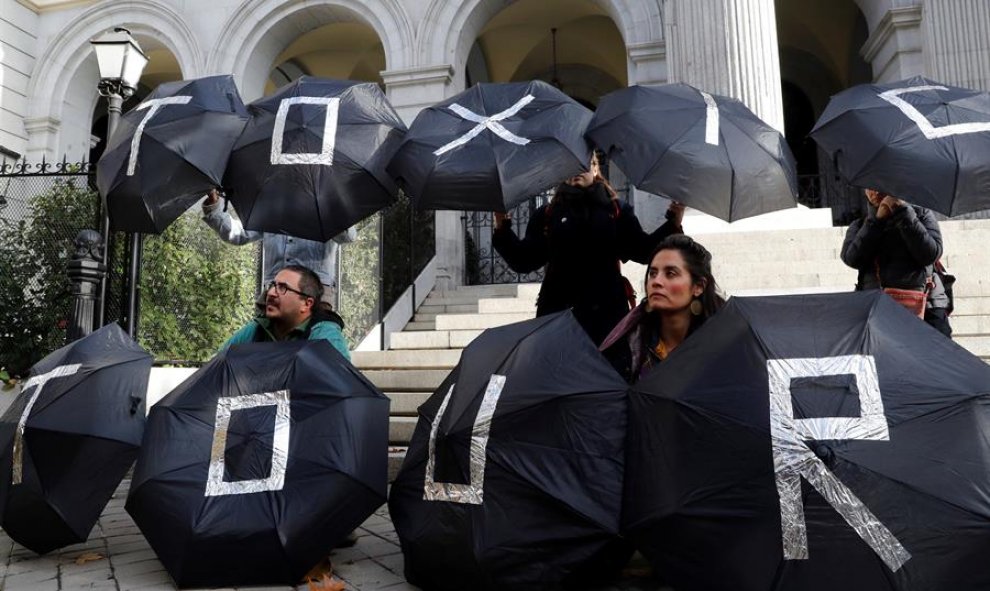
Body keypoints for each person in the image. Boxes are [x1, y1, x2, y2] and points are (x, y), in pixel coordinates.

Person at [492, 154, 685, 346]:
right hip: (558, 315)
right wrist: (502, 226)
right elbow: (524, 260)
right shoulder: (547, 214)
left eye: (582, 164)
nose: (575, 171)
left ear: (594, 168)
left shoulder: (616, 210)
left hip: (607, 316)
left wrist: (673, 222)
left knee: (607, 372)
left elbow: (643, 250)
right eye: (568, 166)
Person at [202, 189, 356, 314]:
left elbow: (348, 236)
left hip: (315, 295)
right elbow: (239, 234)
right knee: (266, 348)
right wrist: (214, 206)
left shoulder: (327, 203)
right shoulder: (271, 207)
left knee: (314, 347)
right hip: (275, 291)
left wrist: (331, 209)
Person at [600, 235, 725, 383]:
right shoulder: (627, 344)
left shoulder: (724, 345)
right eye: (652, 274)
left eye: (670, 274)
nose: (656, 282)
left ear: (698, 286)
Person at [840, 189, 942, 321]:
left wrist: (903, 212)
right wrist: (876, 222)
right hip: (875, 305)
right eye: (869, 188)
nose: (875, 192)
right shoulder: (860, 224)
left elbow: (930, 254)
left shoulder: (921, 214)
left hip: (920, 303)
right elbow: (852, 259)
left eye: (878, 186)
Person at [222, 264, 350, 360]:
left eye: (282, 288)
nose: (271, 293)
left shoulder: (325, 334)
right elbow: (218, 364)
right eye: (272, 285)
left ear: (306, 304)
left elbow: (339, 384)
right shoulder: (258, 328)